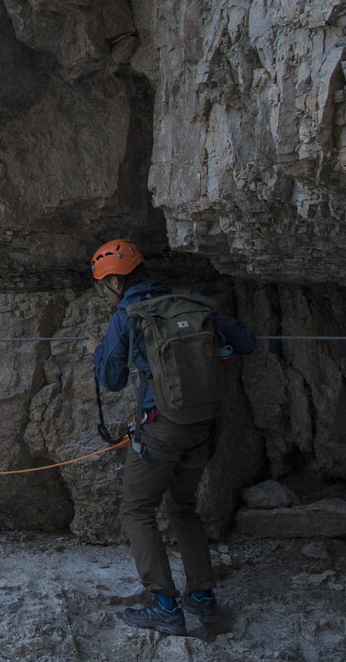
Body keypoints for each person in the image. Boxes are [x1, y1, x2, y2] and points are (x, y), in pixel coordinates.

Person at [92, 239, 256, 636]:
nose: (104, 291)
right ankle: (202, 597)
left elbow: (111, 379)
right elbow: (247, 343)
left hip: (159, 429)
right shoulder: (195, 304)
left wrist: (97, 351)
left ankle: (164, 604)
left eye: (103, 284)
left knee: (137, 510)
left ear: (115, 281)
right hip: (202, 426)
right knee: (183, 508)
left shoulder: (128, 316)